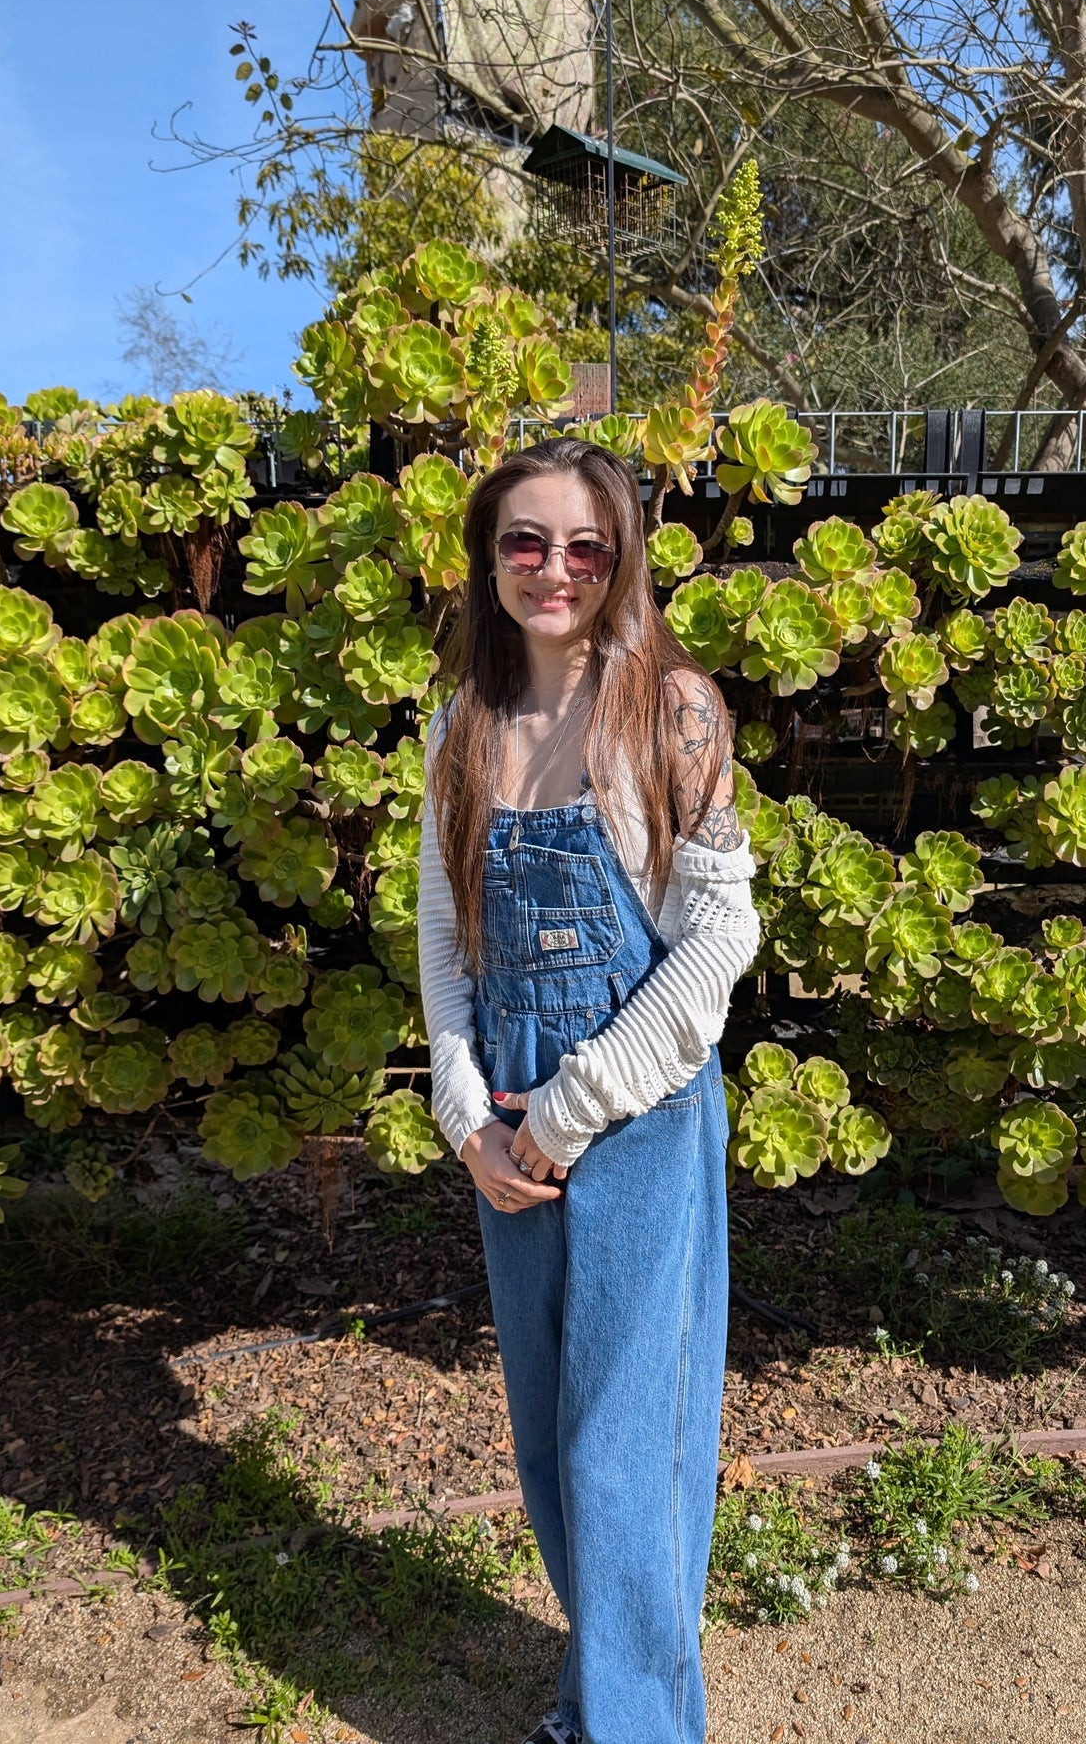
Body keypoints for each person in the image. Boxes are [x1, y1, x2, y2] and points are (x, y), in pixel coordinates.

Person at [417, 437, 760, 1744]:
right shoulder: (465, 723)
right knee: (557, 1454)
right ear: (487, 555)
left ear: (618, 561)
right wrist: (466, 1115)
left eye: (581, 547)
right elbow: (445, 938)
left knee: (626, 1456)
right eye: (522, 541)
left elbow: (717, 942)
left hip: (633, 1131)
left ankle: (632, 1732)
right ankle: (604, 1703)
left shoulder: (666, 710)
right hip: (505, 1138)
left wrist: (563, 1111)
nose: (550, 569)